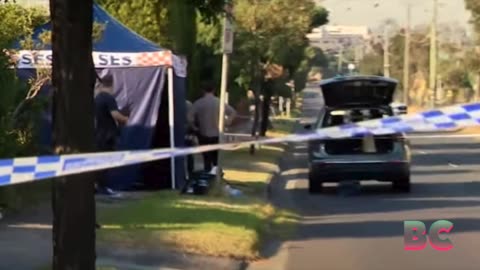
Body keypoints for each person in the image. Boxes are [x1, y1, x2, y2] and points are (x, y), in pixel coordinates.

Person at [94, 74, 129, 196]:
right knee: (106, 162)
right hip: (108, 135)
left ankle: (97, 186)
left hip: (98, 134)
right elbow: (115, 115)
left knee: (98, 162)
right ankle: (103, 187)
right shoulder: (108, 98)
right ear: (112, 85)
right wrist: (125, 119)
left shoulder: (97, 98)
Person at [192, 82, 236, 172]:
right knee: (216, 159)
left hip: (203, 134)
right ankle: (215, 175)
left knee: (206, 158)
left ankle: (207, 174)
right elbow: (232, 112)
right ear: (214, 90)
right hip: (217, 134)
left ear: (203, 90)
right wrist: (227, 122)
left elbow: (189, 117)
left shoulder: (198, 103)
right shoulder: (219, 102)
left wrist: (194, 127)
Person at [185, 100, 197, 177]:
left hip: (179, 132)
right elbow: (192, 119)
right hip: (188, 132)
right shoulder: (189, 104)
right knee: (189, 155)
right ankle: (190, 172)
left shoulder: (173, 102)